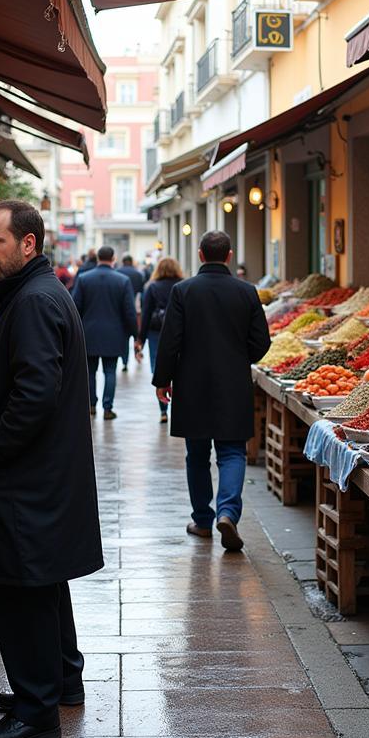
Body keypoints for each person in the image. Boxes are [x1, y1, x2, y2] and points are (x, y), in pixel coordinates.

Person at [0, 199, 103, 738]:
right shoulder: (36, 294)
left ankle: (35, 709)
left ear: (28, 245)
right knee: (44, 580)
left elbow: (35, 394)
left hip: (25, 479)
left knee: (20, 586)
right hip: (40, 474)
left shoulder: (35, 302)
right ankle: (60, 680)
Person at [152, 230, 270, 550]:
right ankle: (228, 512)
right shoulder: (247, 292)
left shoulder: (183, 291)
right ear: (229, 256)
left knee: (197, 455)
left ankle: (202, 521)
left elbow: (170, 342)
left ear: (201, 255)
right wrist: (238, 357)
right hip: (233, 384)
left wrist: (163, 380)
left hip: (192, 385)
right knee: (232, 452)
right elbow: (262, 343)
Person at [73, 245, 137, 419]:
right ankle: (107, 407)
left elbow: (75, 306)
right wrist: (135, 335)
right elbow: (129, 311)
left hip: (89, 333)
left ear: (98, 258)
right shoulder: (122, 281)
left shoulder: (84, 278)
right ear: (113, 258)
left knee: (90, 372)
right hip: (114, 334)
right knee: (110, 371)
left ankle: (91, 405)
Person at [136, 256, 184, 424]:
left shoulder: (152, 287)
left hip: (156, 331)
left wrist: (140, 338)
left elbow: (146, 313)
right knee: (179, 366)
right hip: (180, 332)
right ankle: (178, 406)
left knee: (158, 365)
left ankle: (163, 410)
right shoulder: (183, 286)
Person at [116, 255, 144, 371]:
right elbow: (141, 291)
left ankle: (125, 360)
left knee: (124, 336)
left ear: (123, 262)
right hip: (136, 307)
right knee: (135, 333)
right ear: (131, 262)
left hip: (121, 309)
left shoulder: (117, 272)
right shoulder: (138, 274)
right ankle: (137, 353)